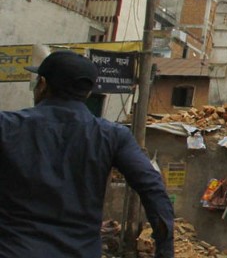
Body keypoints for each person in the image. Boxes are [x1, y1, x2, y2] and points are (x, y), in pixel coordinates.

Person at [0, 50, 174, 257]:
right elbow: (153, 188)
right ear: (88, 93)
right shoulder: (112, 136)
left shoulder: (6, 126)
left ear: (43, 84)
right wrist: (165, 250)